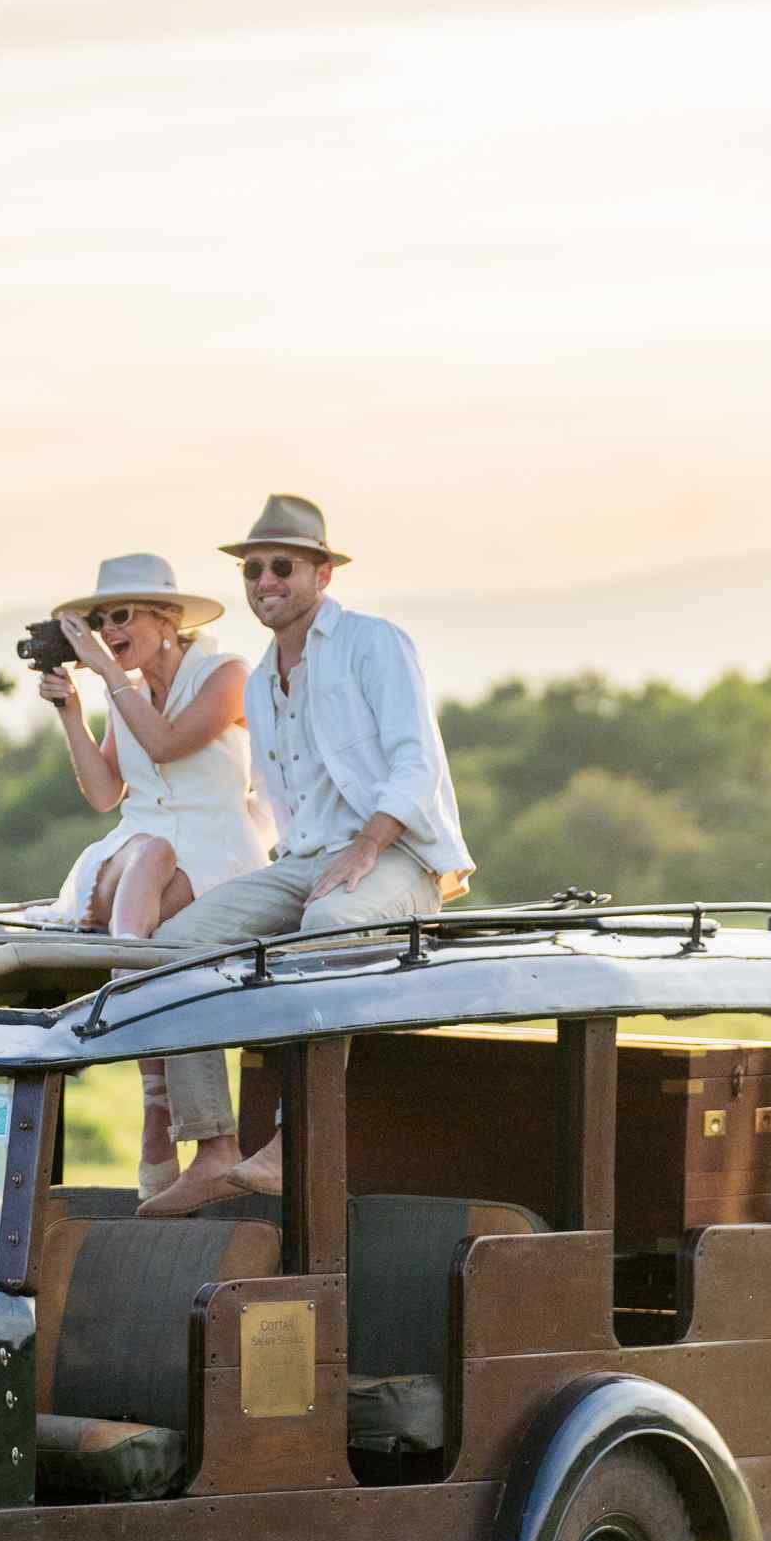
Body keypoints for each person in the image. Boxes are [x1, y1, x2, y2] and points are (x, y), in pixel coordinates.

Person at [137, 494, 472, 1220]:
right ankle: (215, 1150)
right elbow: (274, 803)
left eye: (281, 566)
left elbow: (417, 765)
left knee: (325, 924)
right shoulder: (260, 679)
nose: (264, 581)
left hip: (396, 856)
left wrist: (369, 842)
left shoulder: (373, 643)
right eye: (252, 569)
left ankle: (295, 1146)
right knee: (172, 946)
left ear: (323, 573)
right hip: (305, 859)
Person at [38, 551, 273, 1195]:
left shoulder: (226, 674)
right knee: (148, 851)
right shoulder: (127, 691)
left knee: (154, 862)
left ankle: (153, 1102)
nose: (109, 632)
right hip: (143, 851)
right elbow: (104, 793)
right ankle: (155, 1093)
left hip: (215, 851)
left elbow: (170, 744)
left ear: (168, 618)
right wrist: (70, 711)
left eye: (121, 616)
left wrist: (108, 674)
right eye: (99, 621)